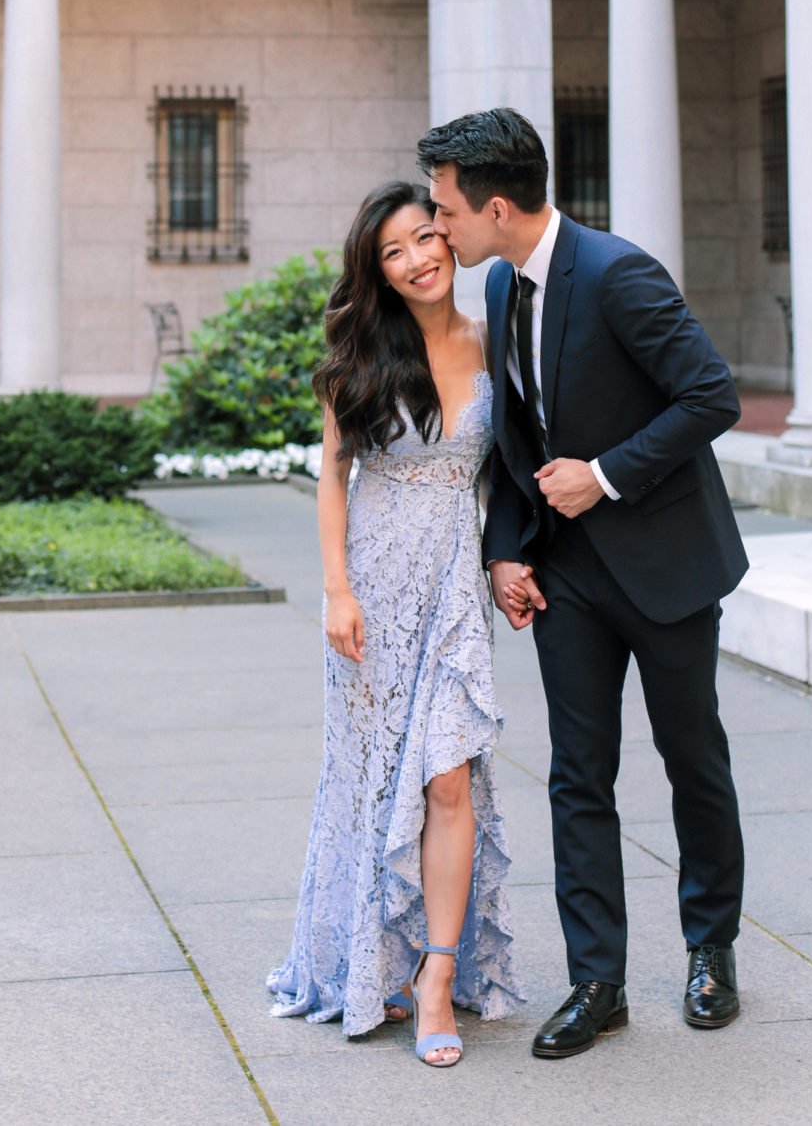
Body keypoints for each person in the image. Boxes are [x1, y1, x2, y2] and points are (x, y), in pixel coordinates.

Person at [417, 109, 748, 1061]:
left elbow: (709, 396)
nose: (440, 228)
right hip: (568, 578)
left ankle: (710, 949)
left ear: (497, 203)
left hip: (667, 564)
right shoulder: (502, 282)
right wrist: (507, 548)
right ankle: (597, 980)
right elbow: (521, 436)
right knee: (577, 777)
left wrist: (602, 474)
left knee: (694, 759)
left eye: (445, 210)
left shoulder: (617, 272)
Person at [266, 180, 521, 1066]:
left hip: (453, 586)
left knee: (450, 778)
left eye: (425, 237)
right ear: (377, 271)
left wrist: (508, 561)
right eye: (394, 252)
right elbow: (334, 477)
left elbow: (505, 477)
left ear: (450, 237)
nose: (418, 260)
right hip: (375, 589)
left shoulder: (495, 343)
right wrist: (336, 590)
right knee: (377, 784)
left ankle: (439, 978)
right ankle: (367, 952)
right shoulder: (359, 356)